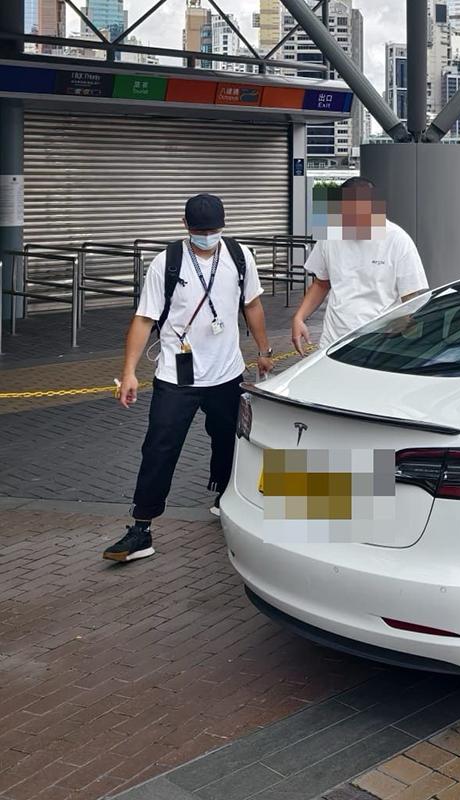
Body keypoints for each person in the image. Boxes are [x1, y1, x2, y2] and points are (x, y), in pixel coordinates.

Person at [106, 193, 273, 563]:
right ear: (185, 226)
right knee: (159, 448)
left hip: (227, 373)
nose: (207, 237)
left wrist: (264, 351)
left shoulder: (239, 256)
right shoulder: (166, 262)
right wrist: (129, 372)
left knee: (229, 441)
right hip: (176, 377)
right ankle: (142, 527)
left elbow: (252, 304)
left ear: (223, 226)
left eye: (213, 230)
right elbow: (144, 319)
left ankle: (225, 497)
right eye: (201, 231)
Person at [291, 177, 429, 352]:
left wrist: (403, 326)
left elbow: (412, 297)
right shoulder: (330, 235)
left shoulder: (397, 240)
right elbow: (321, 283)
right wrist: (299, 317)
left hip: (378, 345)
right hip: (333, 341)